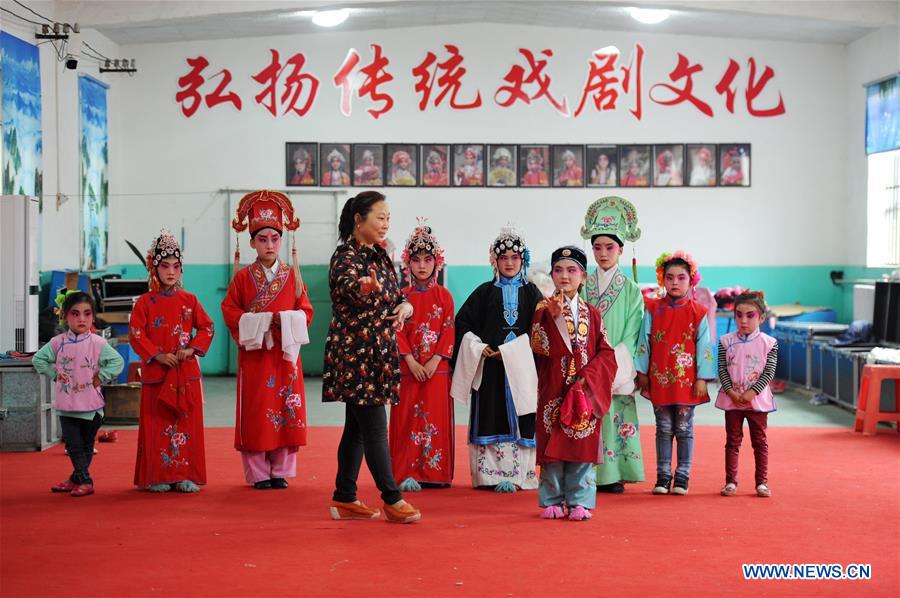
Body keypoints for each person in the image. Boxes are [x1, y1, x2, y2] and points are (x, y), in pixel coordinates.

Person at [322, 191, 422, 523]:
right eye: (379, 217)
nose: (385, 224)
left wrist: (405, 306)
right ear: (358, 219)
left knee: (357, 428)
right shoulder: (345, 257)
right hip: (357, 354)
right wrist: (364, 288)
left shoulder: (379, 255)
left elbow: (396, 295)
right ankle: (392, 498)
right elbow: (350, 287)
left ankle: (345, 497)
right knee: (376, 428)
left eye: (388, 218)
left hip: (377, 352)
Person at [221, 190, 314, 490]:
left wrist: (287, 320)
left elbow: (306, 311)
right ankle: (259, 473)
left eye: (275, 238)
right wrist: (260, 322)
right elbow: (230, 311)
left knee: (287, 407)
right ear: (251, 242)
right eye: (263, 239)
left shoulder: (293, 276)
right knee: (257, 410)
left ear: (282, 240)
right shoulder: (242, 279)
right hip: (256, 356)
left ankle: (281, 470)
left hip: (285, 356)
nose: (270, 245)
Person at [451, 227, 542, 492]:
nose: (510, 262)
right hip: (491, 369)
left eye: (515, 257)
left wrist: (513, 350)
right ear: (495, 260)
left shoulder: (533, 294)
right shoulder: (483, 292)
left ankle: (521, 475)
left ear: (522, 259)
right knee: (492, 415)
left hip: (522, 370)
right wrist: (478, 347)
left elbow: (541, 330)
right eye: (504, 258)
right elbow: (462, 324)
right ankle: (489, 475)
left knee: (522, 415)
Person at [530, 246, 617, 521]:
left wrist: (588, 377)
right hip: (553, 387)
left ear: (583, 276)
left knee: (581, 443)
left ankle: (580, 500)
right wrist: (551, 317)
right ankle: (552, 500)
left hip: (583, 389)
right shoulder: (543, 308)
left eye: (571, 270)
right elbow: (537, 345)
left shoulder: (592, 313)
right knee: (552, 447)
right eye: (558, 270)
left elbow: (606, 352)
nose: (564, 276)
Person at [130, 230, 215, 493]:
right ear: (154, 269)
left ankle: (184, 474)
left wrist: (190, 350)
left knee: (185, 424)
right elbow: (136, 332)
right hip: (157, 372)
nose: (171, 272)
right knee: (157, 423)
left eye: (176, 267)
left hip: (184, 372)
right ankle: (157, 475)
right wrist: (157, 355)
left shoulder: (190, 300)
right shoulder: (144, 302)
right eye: (165, 266)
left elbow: (207, 328)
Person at [635, 251, 715, 496]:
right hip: (659, 378)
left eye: (681, 277)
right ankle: (662, 477)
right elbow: (643, 341)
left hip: (687, 381)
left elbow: (704, 346)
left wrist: (702, 377)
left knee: (684, 428)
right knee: (663, 427)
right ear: (662, 279)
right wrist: (642, 371)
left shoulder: (698, 312)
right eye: (669, 278)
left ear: (691, 281)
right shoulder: (652, 309)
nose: (675, 283)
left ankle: (682, 477)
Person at [580, 197, 645, 493]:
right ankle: (587, 471)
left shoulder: (631, 290)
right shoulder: (583, 284)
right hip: (587, 360)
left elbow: (633, 331)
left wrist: (614, 361)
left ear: (621, 249)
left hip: (616, 362)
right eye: (597, 247)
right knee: (587, 412)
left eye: (610, 247)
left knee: (615, 412)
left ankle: (615, 471)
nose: (603, 253)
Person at [33, 291, 124, 497]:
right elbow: (38, 359)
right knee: (74, 447)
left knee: (85, 447)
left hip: (92, 407)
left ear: (93, 316)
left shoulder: (98, 343)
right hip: (67, 406)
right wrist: (55, 375)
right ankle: (85, 480)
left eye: (87, 314)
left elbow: (117, 362)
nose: (81, 319)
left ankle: (77, 478)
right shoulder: (58, 343)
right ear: (65, 315)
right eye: (75, 313)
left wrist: (101, 376)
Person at [389, 222, 455, 491]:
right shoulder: (399, 295)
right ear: (408, 263)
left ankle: (435, 473)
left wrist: (435, 360)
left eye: (428, 260)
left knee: (435, 418)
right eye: (416, 260)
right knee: (407, 421)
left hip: (436, 370)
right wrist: (411, 361)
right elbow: (395, 331)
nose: (422, 266)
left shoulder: (445, 296)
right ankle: (407, 472)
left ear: (436, 262)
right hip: (408, 369)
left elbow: (449, 329)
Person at [716, 291, 778, 498]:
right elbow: (722, 369)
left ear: (761, 317)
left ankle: (762, 483)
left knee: (759, 442)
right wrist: (731, 392)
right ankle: (730, 482)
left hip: (757, 402)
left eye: (750, 315)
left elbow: (769, 371)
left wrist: (752, 392)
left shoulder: (769, 343)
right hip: (732, 400)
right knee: (732, 441)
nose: (743, 320)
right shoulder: (725, 341)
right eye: (739, 315)